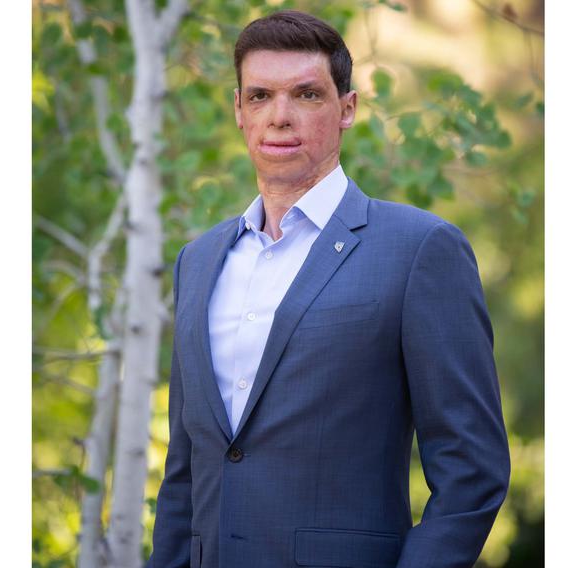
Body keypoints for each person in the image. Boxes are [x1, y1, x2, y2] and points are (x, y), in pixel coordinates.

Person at [149, 10, 510, 568]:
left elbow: (473, 472)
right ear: (239, 111)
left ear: (347, 109)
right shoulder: (197, 262)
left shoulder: (419, 249)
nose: (281, 117)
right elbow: (186, 473)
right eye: (261, 95)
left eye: (307, 95)